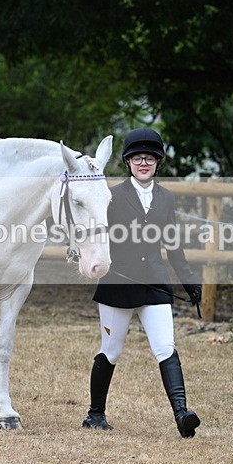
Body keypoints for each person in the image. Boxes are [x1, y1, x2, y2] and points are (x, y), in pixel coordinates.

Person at [84, 127, 202, 438]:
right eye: (137, 158)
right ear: (127, 162)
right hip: (118, 284)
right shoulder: (112, 196)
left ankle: (181, 414)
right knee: (111, 350)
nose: (144, 163)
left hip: (155, 284)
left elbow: (172, 244)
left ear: (158, 162)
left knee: (166, 347)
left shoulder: (166, 198)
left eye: (149, 158)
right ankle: (95, 414)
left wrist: (188, 280)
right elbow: (98, 233)